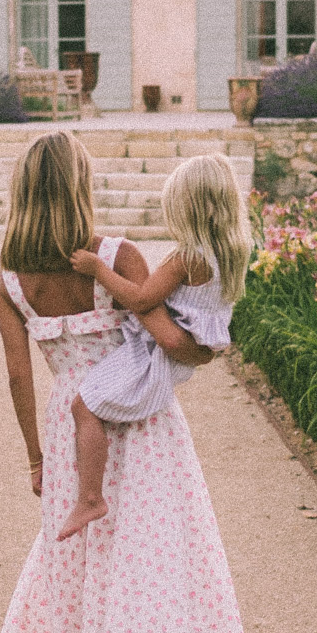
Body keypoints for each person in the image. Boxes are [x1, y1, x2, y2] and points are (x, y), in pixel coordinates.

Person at [0, 131, 264, 633]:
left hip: (71, 425)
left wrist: (37, 458)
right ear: (82, 186)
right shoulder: (117, 256)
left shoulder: (10, 280)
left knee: (77, 583)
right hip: (141, 431)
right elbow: (173, 341)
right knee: (143, 581)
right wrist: (207, 352)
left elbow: (18, 377)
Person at [55, 153, 249, 540]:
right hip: (183, 353)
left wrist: (100, 270)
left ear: (188, 209)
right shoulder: (228, 254)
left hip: (158, 352)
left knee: (84, 404)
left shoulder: (186, 257)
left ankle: (91, 497)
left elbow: (142, 300)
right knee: (118, 410)